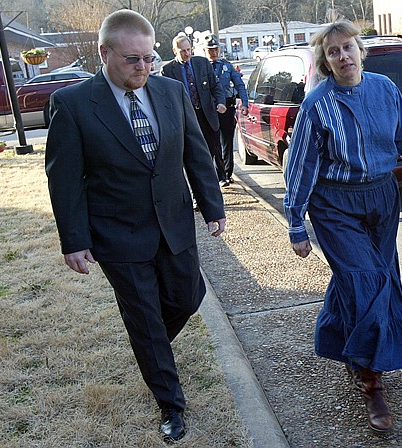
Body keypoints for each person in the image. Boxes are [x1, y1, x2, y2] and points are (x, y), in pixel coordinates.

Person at [45, 10, 226, 444]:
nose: (143, 68)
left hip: (175, 221)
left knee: (188, 295)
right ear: (104, 53)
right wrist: (74, 239)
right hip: (118, 234)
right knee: (144, 317)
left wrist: (212, 204)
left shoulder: (169, 90)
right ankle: (171, 404)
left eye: (148, 58)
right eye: (132, 60)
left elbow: (194, 152)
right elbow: (64, 177)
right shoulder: (72, 105)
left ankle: (150, 347)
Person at [283, 20, 402, 434]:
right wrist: (296, 223)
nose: (343, 56)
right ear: (326, 60)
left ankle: (341, 342)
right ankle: (369, 376)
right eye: (333, 52)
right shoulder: (318, 104)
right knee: (367, 279)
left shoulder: (385, 89)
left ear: (360, 49)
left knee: (371, 278)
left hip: (381, 197)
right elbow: (302, 165)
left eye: (348, 47)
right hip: (334, 204)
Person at [162, 34, 229, 187]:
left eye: (188, 50)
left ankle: (212, 185)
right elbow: (165, 98)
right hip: (185, 119)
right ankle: (196, 191)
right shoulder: (168, 70)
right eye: (182, 51)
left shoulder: (202, 63)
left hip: (207, 116)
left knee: (210, 153)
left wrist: (220, 102)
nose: (186, 54)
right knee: (192, 156)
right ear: (174, 51)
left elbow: (215, 87)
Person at [203, 33, 249, 184]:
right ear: (205, 50)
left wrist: (245, 102)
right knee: (214, 142)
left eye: (216, 49)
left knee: (227, 142)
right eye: (211, 50)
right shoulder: (202, 67)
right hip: (210, 109)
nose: (214, 52)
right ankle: (220, 174)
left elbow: (239, 84)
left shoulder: (227, 66)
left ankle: (228, 173)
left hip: (227, 108)